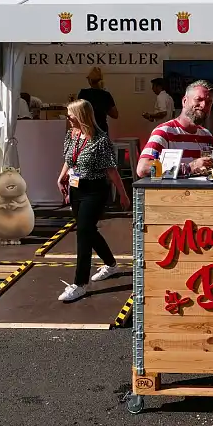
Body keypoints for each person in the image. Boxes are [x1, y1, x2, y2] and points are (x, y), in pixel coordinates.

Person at [55, 99, 130, 303]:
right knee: (87, 230)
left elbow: (111, 169)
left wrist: (123, 194)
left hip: (95, 190)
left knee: (83, 233)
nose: (68, 118)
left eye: (70, 114)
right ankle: (111, 264)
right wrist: (62, 176)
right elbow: (69, 160)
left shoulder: (100, 140)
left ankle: (80, 284)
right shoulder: (71, 135)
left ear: (81, 115)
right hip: (76, 187)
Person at [137, 80, 213, 178]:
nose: (203, 105)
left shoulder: (207, 136)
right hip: (172, 193)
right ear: (184, 101)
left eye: (209, 102)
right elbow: (143, 168)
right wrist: (188, 167)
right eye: (198, 99)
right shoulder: (164, 132)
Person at [78, 67, 118, 136]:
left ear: (89, 80)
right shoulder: (105, 95)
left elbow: (78, 112)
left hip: (87, 129)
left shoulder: (83, 93)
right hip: (101, 129)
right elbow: (115, 115)